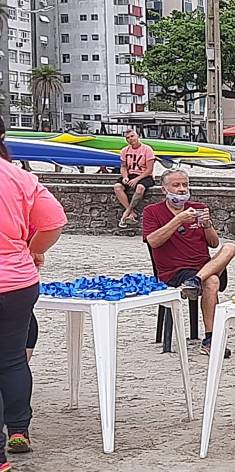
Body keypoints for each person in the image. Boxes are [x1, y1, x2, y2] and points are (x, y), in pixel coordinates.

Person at [1, 118, 68, 469]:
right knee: (12, 360)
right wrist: (32, 249)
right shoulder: (20, 177)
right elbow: (54, 222)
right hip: (17, 281)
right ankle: (19, 430)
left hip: (15, 278)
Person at [142, 169, 235, 357]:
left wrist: (207, 225)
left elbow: (214, 243)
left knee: (230, 248)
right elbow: (153, 241)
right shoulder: (152, 211)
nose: (182, 189)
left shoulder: (198, 207)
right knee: (212, 281)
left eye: (185, 184)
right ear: (164, 189)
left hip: (203, 267)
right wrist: (178, 220)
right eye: (176, 185)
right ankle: (210, 339)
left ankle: (195, 281)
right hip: (175, 271)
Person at [114, 129, 157, 228]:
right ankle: (131, 212)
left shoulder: (147, 149)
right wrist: (125, 177)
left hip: (144, 175)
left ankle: (127, 212)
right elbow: (123, 166)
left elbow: (149, 169)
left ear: (137, 136)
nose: (130, 139)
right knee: (117, 187)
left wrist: (137, 179)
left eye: (132, 136)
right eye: (128, 138)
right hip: (130, 174)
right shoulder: (124, 151)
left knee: (140, 188)